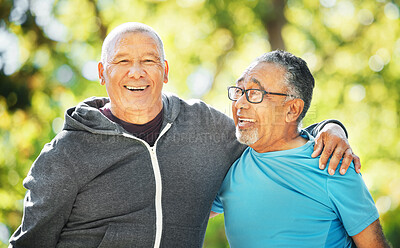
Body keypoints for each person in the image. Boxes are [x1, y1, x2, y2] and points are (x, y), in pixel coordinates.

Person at [9, 23, 359, 248]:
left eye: (149, 61)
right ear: (103, 73)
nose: (137, 72)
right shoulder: (67, 153)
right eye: (122, 61)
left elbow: (272, 134)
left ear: (165, 71)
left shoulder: (205, 126)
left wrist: (329, 129)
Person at [211, 50, 390, 247]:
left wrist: (333, 127)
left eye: (255, 93)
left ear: (292, 109)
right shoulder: (230, 163)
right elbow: (184, 215)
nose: (239, 104)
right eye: (239, 91)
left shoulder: (332, 164)